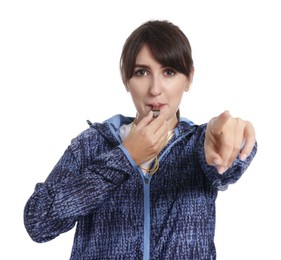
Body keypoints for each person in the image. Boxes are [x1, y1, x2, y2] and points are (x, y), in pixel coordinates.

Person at [24, 20, 257, 260]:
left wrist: (232, 140)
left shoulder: (198, 145)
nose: (155, 89)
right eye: (142, 72)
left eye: (169, 72)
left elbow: (228, 167)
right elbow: (39, 222)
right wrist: (125, 157)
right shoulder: (92, 145)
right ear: (126, 79)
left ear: (188, 79)